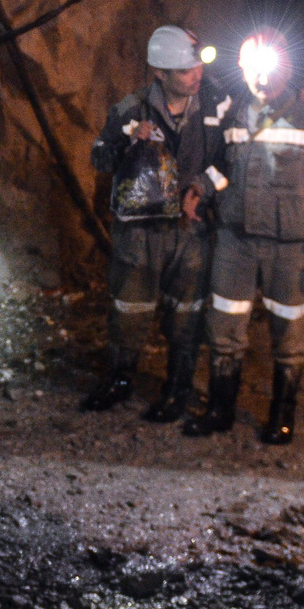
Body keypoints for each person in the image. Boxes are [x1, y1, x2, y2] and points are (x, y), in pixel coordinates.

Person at [188, 28, 304, 444]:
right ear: (241, 68)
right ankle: (220, 409)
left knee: (289, 334)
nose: (261, 75)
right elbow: (224, 166)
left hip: (292, 248)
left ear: (288, 65)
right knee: (223, 327)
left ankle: (282, 416)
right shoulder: (234, 111)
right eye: (251, 66)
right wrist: (201, 187)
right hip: (236, 241)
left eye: (270, 64)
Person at [84, 26, 226, 418]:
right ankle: (120, 380)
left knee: (186, 314)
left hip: (190, 228)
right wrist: (129, 139)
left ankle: (178, 388)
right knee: (129, 310)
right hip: (139, 230)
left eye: (197, 65)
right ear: (160, 73)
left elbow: (229, 161)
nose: (195, 74)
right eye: (184, 70)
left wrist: (202, 187)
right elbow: (99, 158)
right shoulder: (131, 109)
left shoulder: (216, 105)